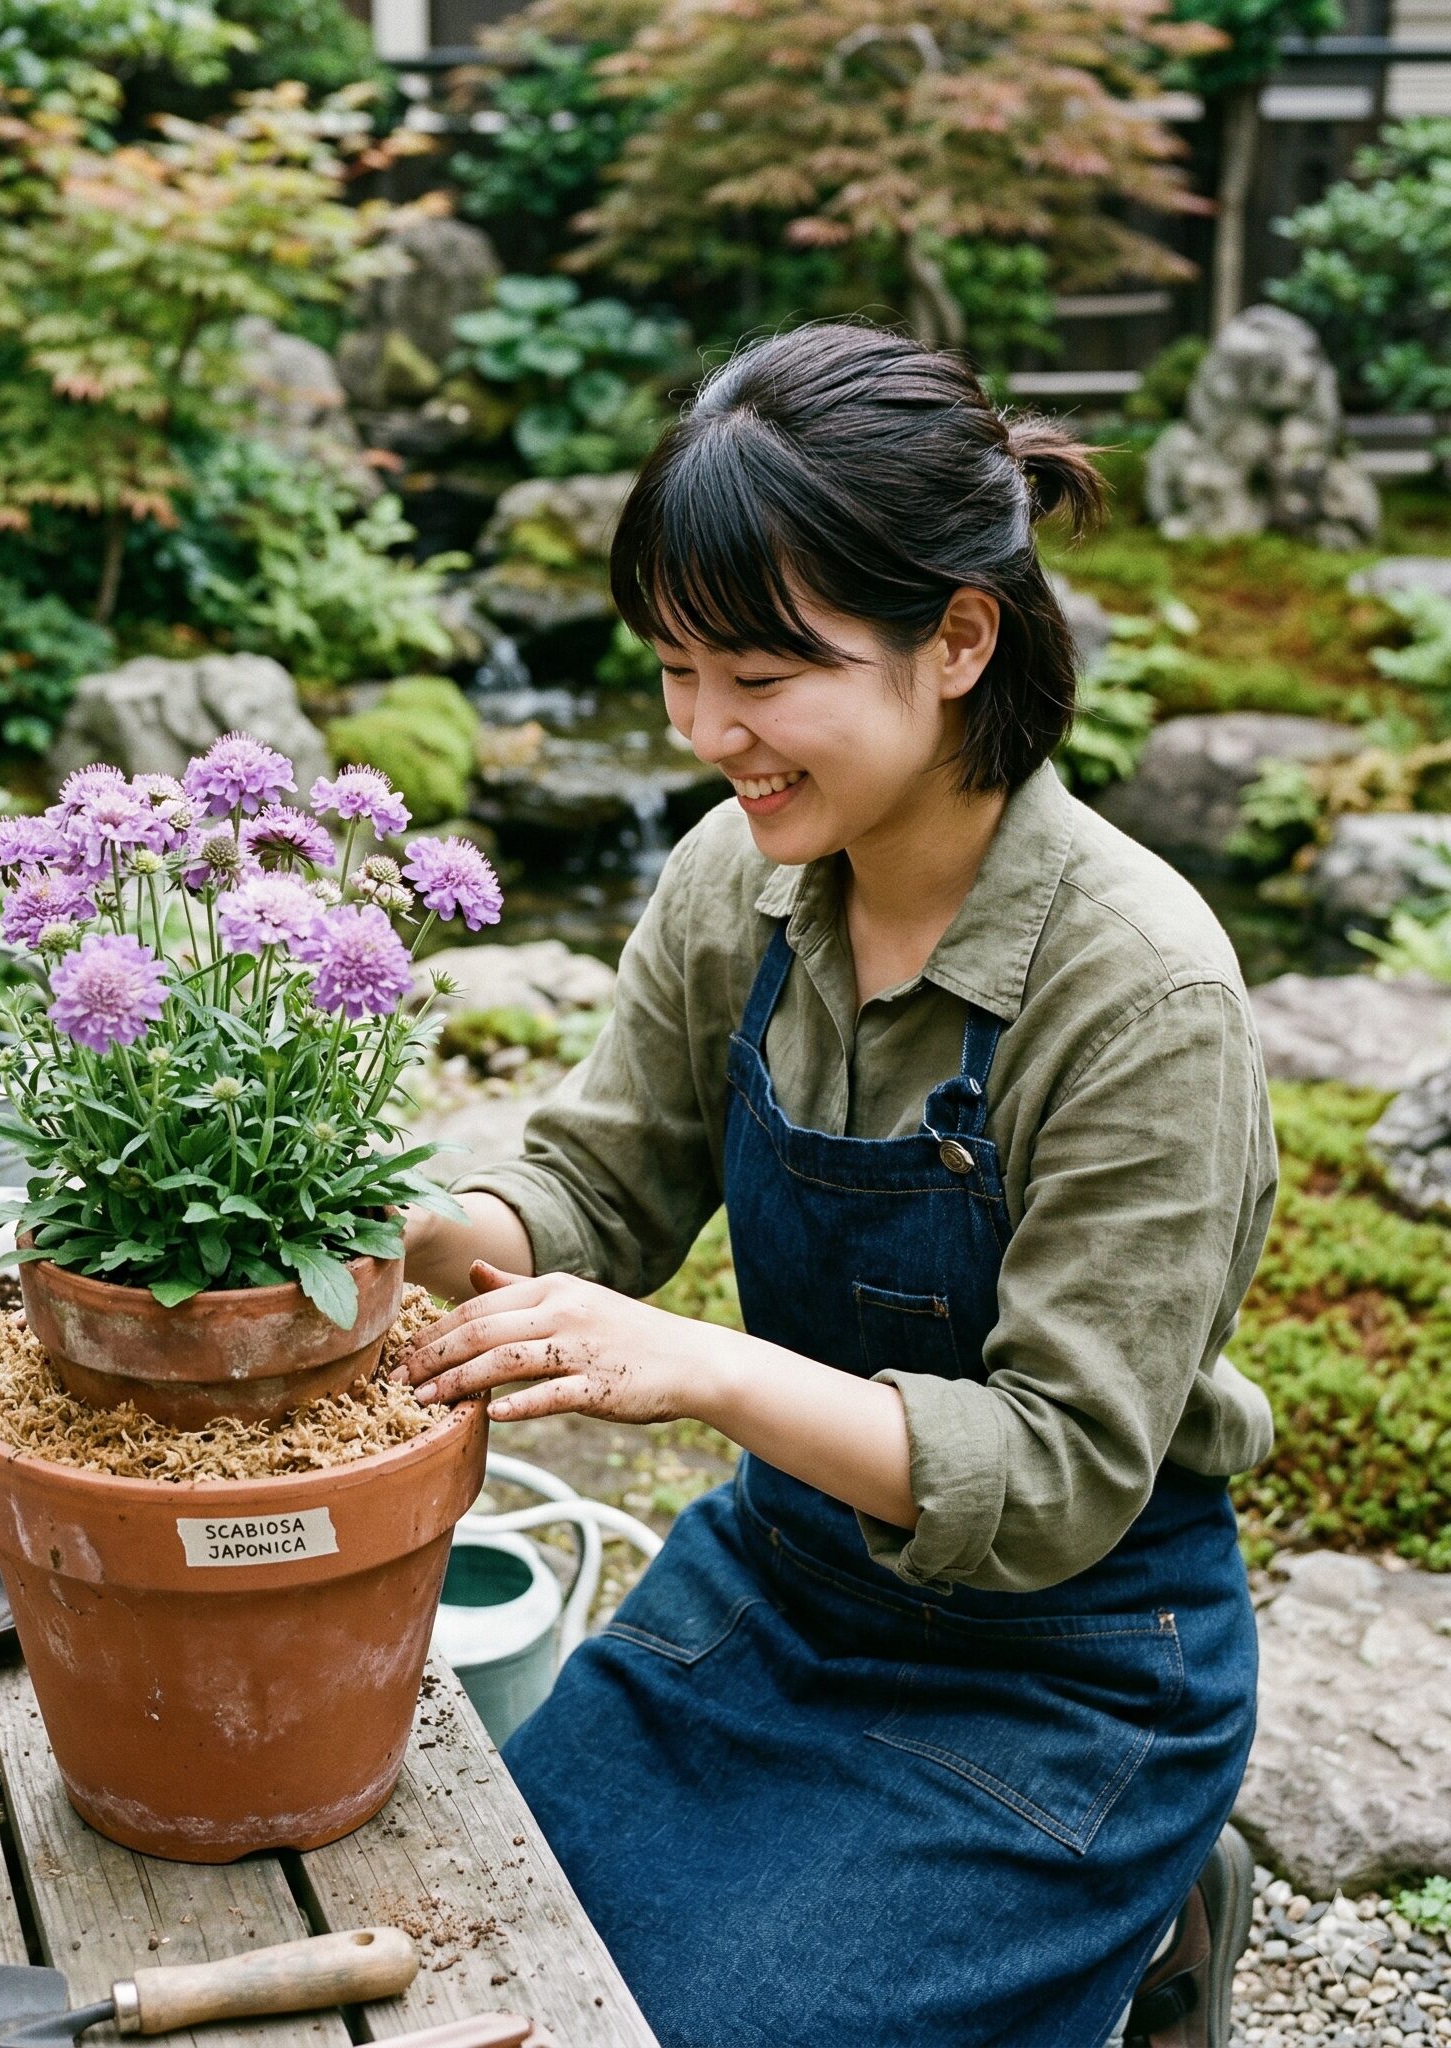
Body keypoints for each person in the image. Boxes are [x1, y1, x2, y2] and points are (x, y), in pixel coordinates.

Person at [400, 324, 1274, 2048]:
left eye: (761, 674)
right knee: (484, 1971)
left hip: (1071, 1661)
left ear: (959, 637)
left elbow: (1059, 1471)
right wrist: (412, 1228)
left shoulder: (1140, 991)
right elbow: (598, 1180)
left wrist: (706, 1369)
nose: (706, 731)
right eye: (671, 669)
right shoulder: (742, 876)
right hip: (786, 1581)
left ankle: (1160, 1891)